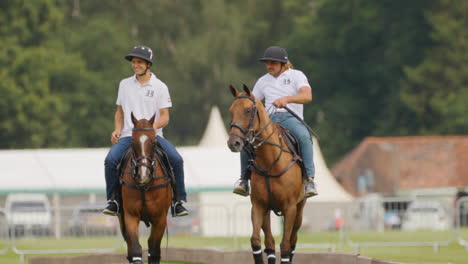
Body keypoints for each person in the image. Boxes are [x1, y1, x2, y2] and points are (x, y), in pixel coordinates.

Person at [103, 45, 188, 217]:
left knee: (177, 160)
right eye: (133, 62)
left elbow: (165, 116)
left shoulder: (160, 86)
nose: (135, 65)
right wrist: (117, 129)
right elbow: (120, 112)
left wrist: (150, 129)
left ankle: (178, 201)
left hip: (153, 137)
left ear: (148, 64)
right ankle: (113, 201)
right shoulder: (124, 84)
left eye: (139, 62)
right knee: (110, 160)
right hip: (128, 136)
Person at [233, 46, 318, 198]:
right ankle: (244, 180)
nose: (269, 66)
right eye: (267, 63)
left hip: (291, 118)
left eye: (273, 63)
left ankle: (310, 179)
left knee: (304, 137)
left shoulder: (296, 75)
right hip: (269, 121)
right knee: (247, 142)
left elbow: (307, 96)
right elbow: (253, 102)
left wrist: (287, 100)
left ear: (283, 64)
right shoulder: (262, 81)